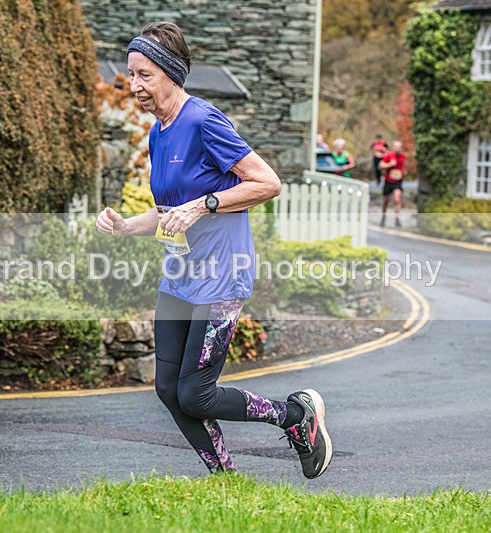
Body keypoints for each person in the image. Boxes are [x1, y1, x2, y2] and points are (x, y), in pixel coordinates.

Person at [96, 21, 332, 479]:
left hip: (221, 279)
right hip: (179, 277)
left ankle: (296, 416)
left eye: (144, 74)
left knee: (196, 393)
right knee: (168, 388)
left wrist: (205, 204)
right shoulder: (159, 133)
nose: (134, 85)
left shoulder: (203, 121)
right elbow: (167, 211)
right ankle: (226, 480)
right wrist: (125, 226)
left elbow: (267, 183)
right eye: (131, 74)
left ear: (169, 73)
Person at [378, 140, 407, 228]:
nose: (397, 149)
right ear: (393, 147)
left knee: (397, 199)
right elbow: (381, 165)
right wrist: (390, 164)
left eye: (399, 147)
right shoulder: (389, 155)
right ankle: (383, 216)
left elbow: (403, 166)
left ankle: (397, 218)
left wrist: (404, 171)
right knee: (386, 200)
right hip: (388, 181)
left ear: (401, 148)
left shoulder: (403, 156)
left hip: (398, 181)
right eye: (396, 147)